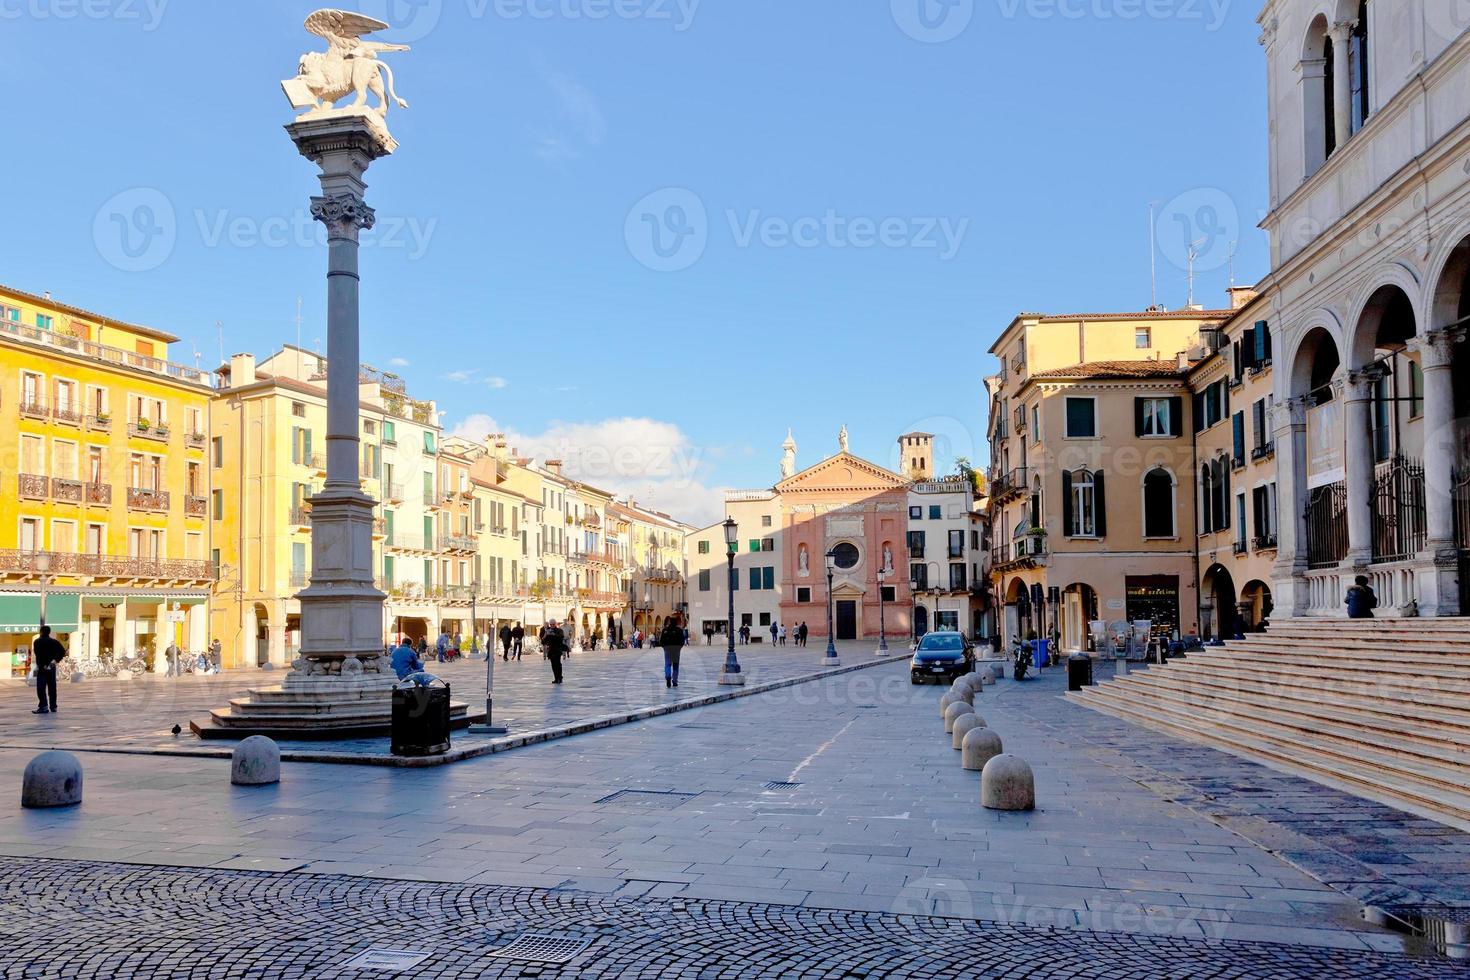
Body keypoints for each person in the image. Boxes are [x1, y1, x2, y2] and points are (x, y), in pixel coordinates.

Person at [31, 626, 65, 716]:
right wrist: (55, 660)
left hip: (42, 667)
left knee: (41, 687)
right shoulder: (54, 642)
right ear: (49, 632)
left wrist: (42, 664)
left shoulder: (37, 642)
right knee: (52, 687)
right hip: (51, 667)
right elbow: (62, 651)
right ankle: (53, 706)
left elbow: (37, 654)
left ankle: (44, 706)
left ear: (41, 632)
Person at [659, 616, 685, 689]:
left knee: (667, 664)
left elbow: (661, 641)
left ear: (669, 622)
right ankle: (675, 681)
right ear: (676, 622)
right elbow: (682, 641)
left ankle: (668, 678)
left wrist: (664, 648)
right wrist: (679, 648)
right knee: (675, 666)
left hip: (667, 649)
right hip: (676, 650)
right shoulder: (679, 630)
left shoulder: (665, 630)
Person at [540, 619, 567, 684]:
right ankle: (556, 678)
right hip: (551, 650)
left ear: (556, 624)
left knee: (558, 664)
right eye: (551, 624)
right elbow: (543, 642)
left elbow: (560, 638)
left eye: (553, 624)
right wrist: (545, 635)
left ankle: (559, 677)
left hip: (557, 649)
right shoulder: (548, 631)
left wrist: (553, 634)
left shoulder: (559, 630)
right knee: (553, 665)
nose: (552, 625)